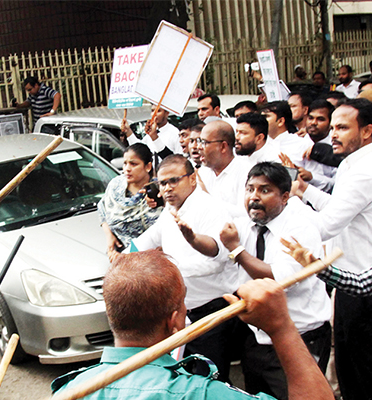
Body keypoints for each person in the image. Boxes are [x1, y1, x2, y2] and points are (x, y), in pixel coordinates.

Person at [52, 251, 335, 400]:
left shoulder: (71, 390)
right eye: (184, 302)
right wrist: (282, 327)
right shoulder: (199, 393)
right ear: (175, 319)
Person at [213, 162, 331, 398]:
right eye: (250, 189)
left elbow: (277, 281)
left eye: (264, 191)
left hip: (300, 337)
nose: (254, 197)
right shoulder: (246, 224)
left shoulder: (301, 229)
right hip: (257, 336)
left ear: (285, 196)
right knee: (260, 395)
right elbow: (215, 248)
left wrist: (236, 249)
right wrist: (191, 236)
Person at [126, 155, 238, 382]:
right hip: (181, 311)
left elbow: (216, 261)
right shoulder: (171, 209)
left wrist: (168, 267)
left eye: (173, 181)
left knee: (210, 382)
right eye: (162, 183)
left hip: (211, 311)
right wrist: (125, 259)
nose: (167, 189)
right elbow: (148, 239)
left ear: (193, 179)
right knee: (185, 379)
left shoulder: (211, 209)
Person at [291, 98, 372, 400]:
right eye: (333, 126)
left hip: (361, 285)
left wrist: (286, 210)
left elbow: (326, 226)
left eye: (342, 127)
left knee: (358, 373)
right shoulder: (353, 163)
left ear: (367, 131)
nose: (333, 134)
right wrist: (304, 191)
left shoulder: (365, 170)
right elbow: (340, 209)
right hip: (351, 281)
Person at [98, 143, 162, 257]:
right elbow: (102, 208)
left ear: (148, 166)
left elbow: (159, 236)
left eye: (133, 164)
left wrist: (127, 256)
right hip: (117, 255)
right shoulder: (115, 185)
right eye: (125, 163)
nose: (127, 169)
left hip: (150, 259)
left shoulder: (159, 191)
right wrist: (109, 236)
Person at [197, 120, 252, 217]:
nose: (199, 147)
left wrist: (206, 197)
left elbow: (245, 214)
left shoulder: (247, 172)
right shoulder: (202, 172)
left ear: (223, 146)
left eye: (204, 142)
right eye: (199, 141)